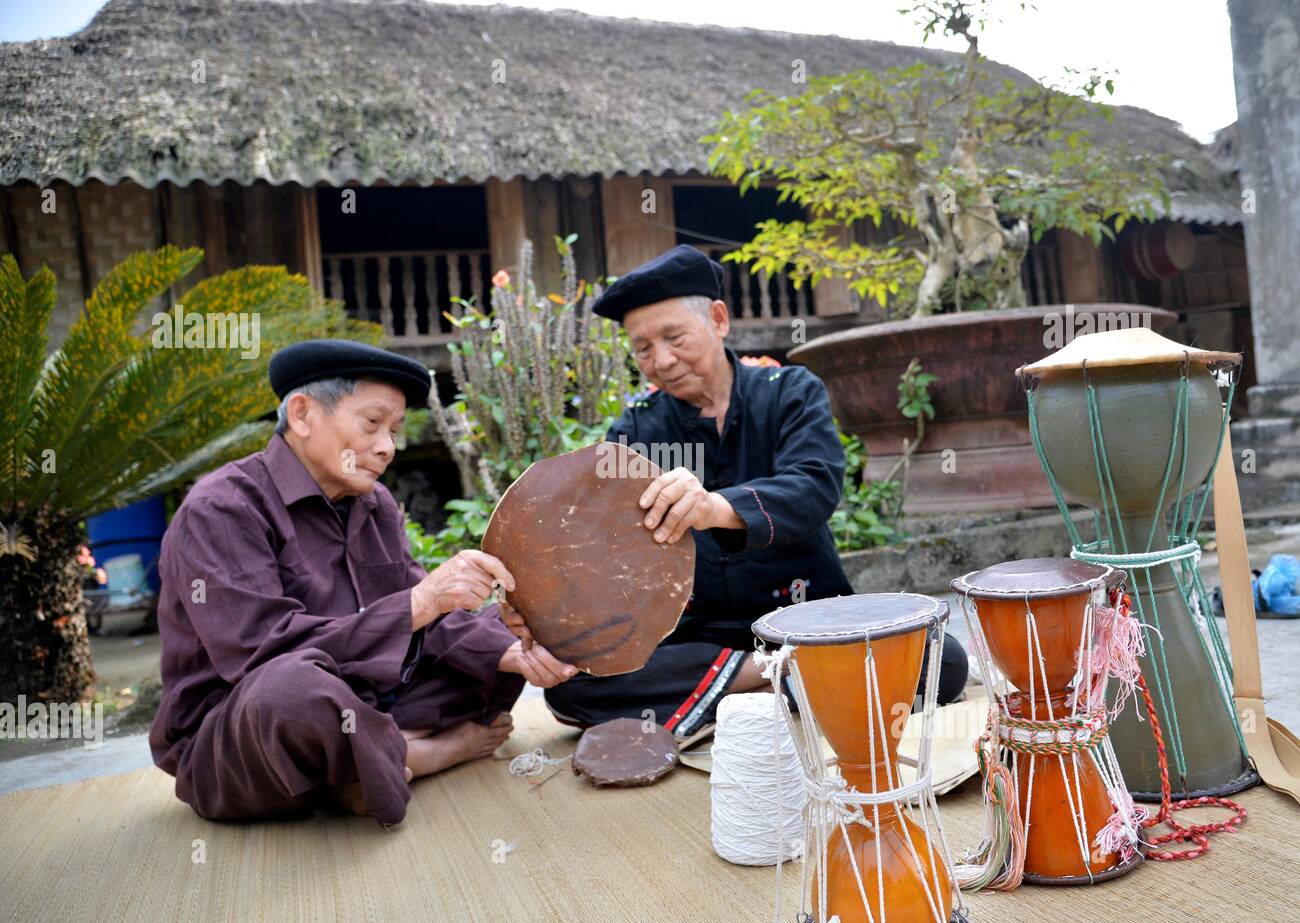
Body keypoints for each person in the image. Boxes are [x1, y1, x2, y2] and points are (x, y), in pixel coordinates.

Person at [506, 245, 967, 737]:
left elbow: (814, 485)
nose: (661, 360)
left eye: (674, 337)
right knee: (571, 688)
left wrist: (714, 506)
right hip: (700, 635)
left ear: (719, 319)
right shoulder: (637, 431)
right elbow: (601, 552)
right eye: (642, 348)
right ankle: (784, 678)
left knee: (943, 659)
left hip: (811, 616)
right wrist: (542, 609)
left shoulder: (789, 391)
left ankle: (742, 691)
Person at [148, 339, 573, 827]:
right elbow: (258, 654)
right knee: (292, 691)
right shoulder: (222, 507)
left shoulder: (376, 505)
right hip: (242, 732)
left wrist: (513, 652)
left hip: (364, 701)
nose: (387, 447)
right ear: (303, 415)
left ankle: (366, 761)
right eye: (372, 424)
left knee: (491, 645)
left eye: (395, 430)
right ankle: (416, 754)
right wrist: (420, 601)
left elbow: (427, 621)